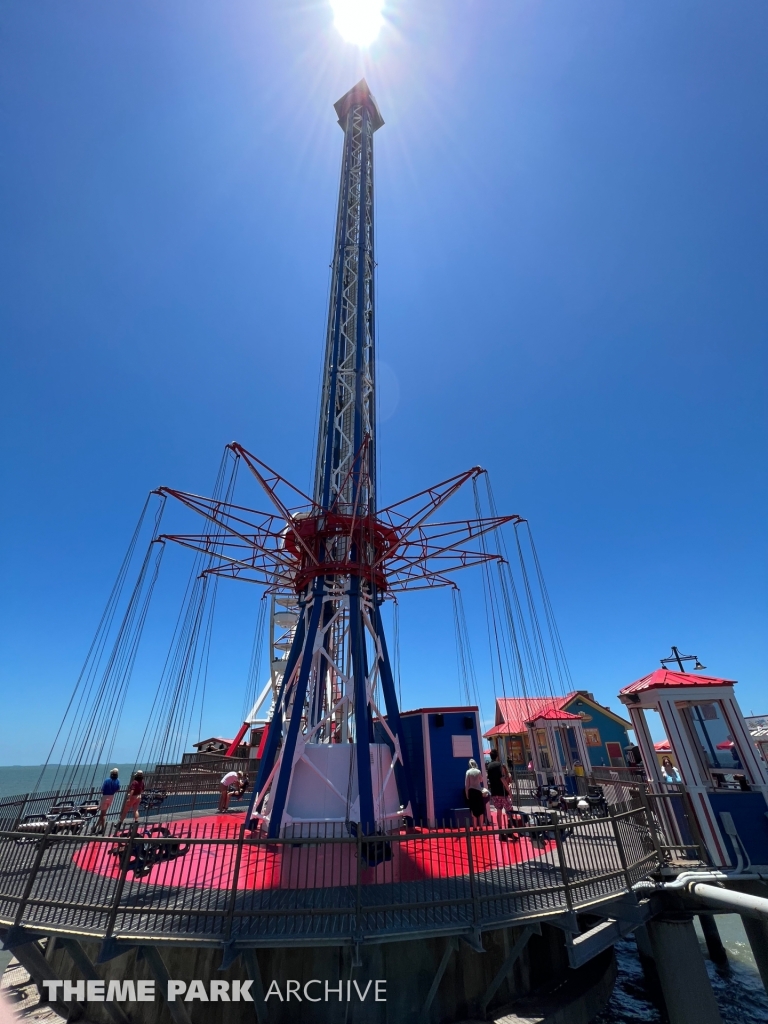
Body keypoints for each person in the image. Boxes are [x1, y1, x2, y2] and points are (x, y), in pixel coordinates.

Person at [486, 749, 513, 829]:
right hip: (502, 792)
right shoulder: (499, 765)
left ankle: (500, 830)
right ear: (497, 756)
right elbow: (502, 778)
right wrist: (509, 790)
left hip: (494, 792)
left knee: (499, 811)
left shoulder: (489, 766)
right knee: (509, 809)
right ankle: (509, 827)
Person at [95, 769, 120, 833]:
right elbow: (118, 789)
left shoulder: (107, 780)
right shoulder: (117, 781)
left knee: (103, 814)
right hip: (111, 797)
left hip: (105, 796)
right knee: (103, 813)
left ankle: (103, 829)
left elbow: (102, 789)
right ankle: (95, 827)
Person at [464, 759, 486, 826]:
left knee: (473, 809)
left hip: (471, 792)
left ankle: (475, 826)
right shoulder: (478, 771)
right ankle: (481, 826)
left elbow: (466, 784)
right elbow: (481, 780)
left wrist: (467, 794)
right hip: (478, 791)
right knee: (480, 808)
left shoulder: (468, 772)